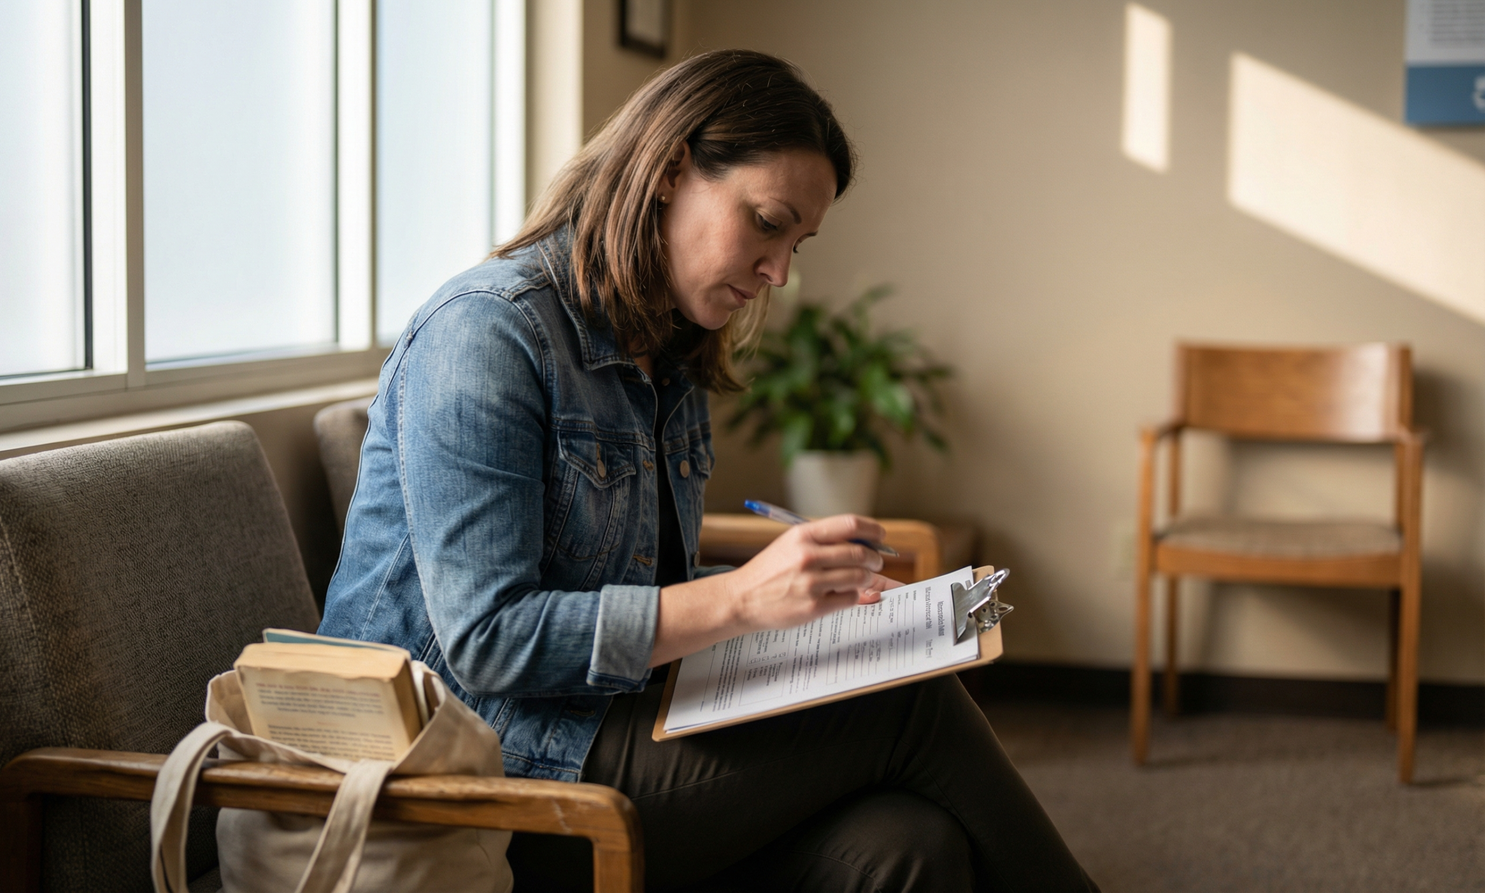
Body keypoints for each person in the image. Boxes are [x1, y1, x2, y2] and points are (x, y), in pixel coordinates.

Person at [320, 49, 1096, 892]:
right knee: (912, 705)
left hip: (611, 728)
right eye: (767, 222)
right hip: (472, 775)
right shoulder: (486, 335)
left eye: (796, 241)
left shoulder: (667, 353)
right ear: (669, 170)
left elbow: (642, 585)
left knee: (905, 844)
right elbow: (488, 639)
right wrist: (740, 598)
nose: (778, 274)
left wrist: (805, 610)